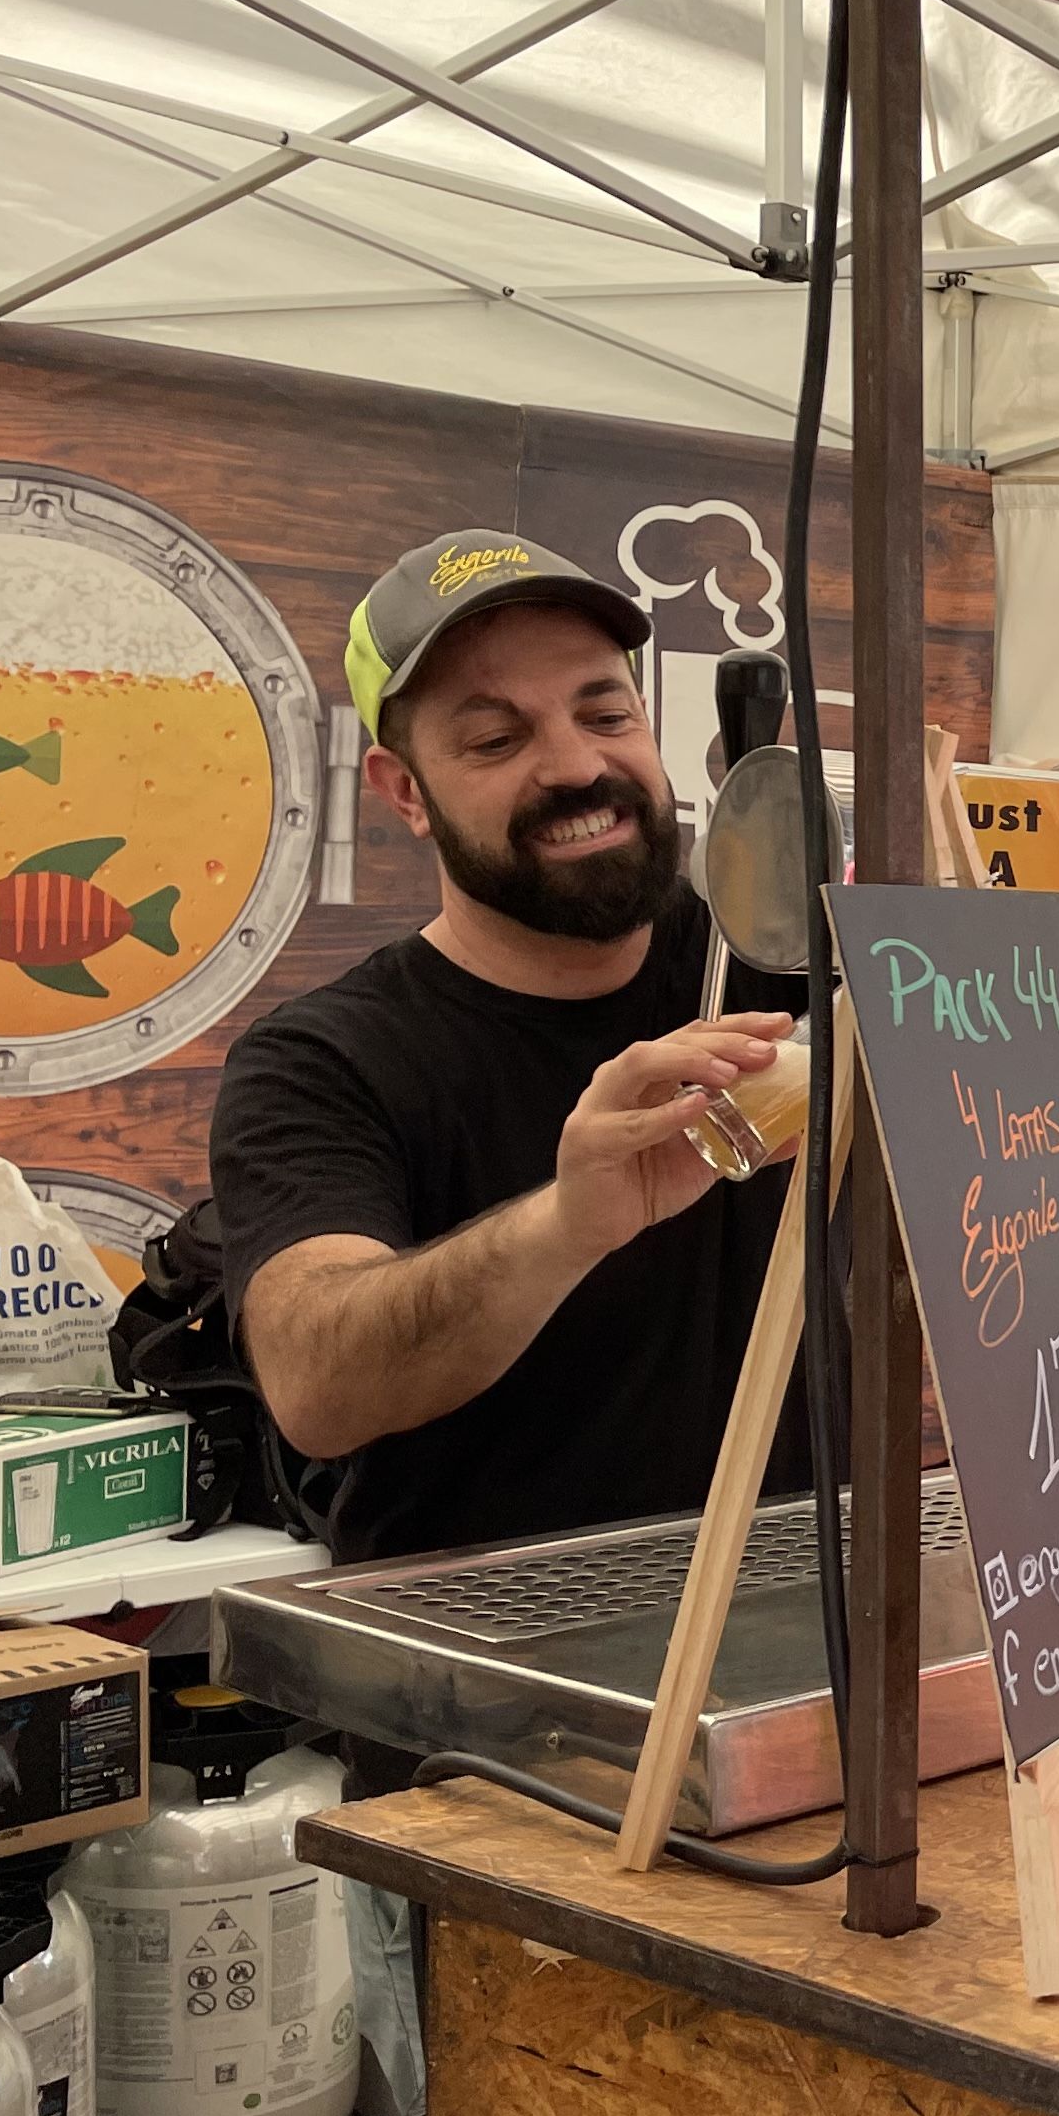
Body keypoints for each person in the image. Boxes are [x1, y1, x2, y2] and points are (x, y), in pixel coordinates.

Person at [212, 529, 808, 1566]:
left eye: (604, 712)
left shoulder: (774, 955)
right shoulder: (323, 1061)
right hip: (489, 1689)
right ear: (406, 792)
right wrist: (568, 1224)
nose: (578, 766)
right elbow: (316, 1384)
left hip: (808, 1636)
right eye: (495, 740)